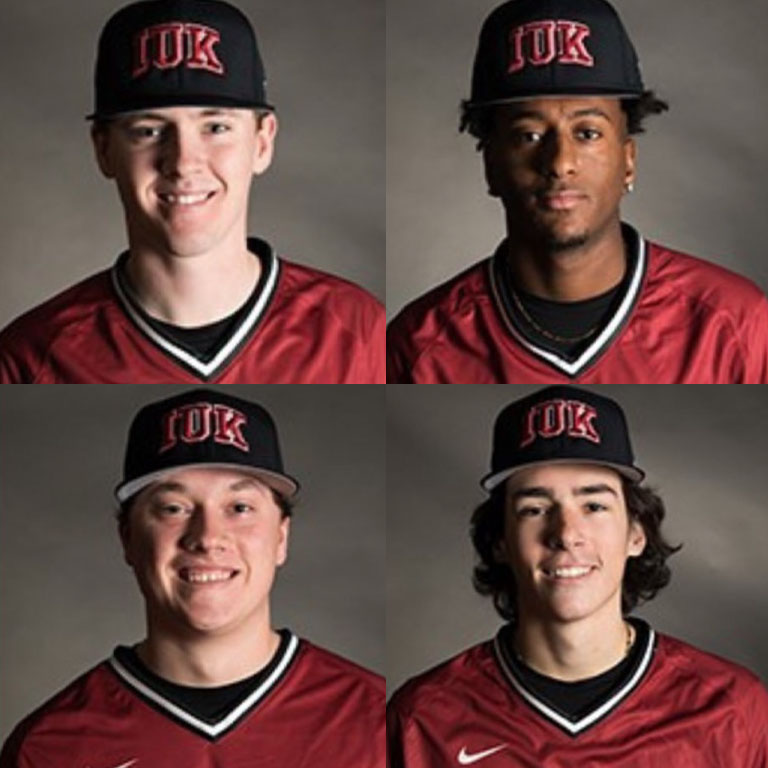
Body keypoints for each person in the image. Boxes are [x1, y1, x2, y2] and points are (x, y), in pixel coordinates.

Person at [0, 0, 384, 383]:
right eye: (149, 130)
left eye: (216, 127)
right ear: (103, 149)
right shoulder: (27, 359)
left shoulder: (361, 331)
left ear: (262, 142)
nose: (184, 162)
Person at [386, 0, 768, 383]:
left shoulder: (738, 324)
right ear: (491, 165)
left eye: (587, 133)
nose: (560, 162)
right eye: (529, 135)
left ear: (628, 160)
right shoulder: (417, 346)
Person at [387, 386, 768, 766]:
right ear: (500, 541)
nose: (567, 534)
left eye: (594, 506)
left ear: (636, 534)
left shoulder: (733, 709)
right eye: (534, 509)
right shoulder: (422, 718)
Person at [0, 389, 384, 766]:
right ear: (128, 539)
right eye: (174, 508)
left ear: (281, 538)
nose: (207, 537)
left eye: (239, 507)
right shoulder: (48, 749)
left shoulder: (377, 722)